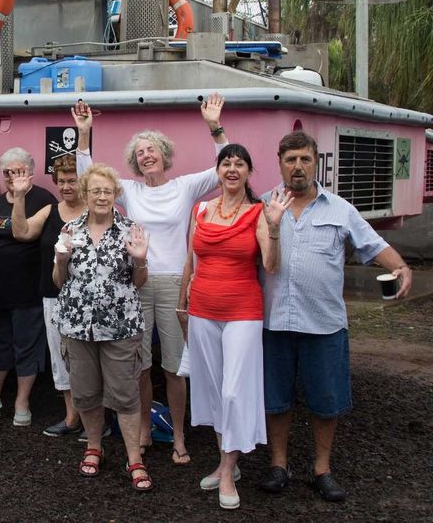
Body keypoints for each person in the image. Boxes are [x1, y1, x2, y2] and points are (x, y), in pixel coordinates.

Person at [256, 131, 413, 502]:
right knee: (275, 400)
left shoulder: (340, 209)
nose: (297, 166)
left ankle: (321, 469)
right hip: (273, 322)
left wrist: (402, 267)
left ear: (316, 163)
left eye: (305, 159)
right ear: (279, 162)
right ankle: (279, 466)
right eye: (291, 159)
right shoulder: (262, 205)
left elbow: (373, 245)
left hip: (323, 323)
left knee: (326, 401)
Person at [72, 94, 228, 462]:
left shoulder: (185, 186)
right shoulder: (132, 190)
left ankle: (178, 435)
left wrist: (214, 126)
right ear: (135, 162)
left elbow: (224, 165)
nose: (146, 155)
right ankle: (142, 428)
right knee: (139, 365)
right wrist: (84, 134)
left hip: (174, 283)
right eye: (140, 152)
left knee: (174, 367)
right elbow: (89, 177)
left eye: (151, 149)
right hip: (136, 285)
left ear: (164, 154)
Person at [178, 144, 292, 510]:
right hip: (202, 309)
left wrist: (274, 229)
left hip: (243, 310)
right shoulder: (200, 210)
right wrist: (183, 302)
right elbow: (190, 262)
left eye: (239, 163)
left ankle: (228, 472)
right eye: (225, 162)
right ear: (217, 170)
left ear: (248, 172)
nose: (231, 168)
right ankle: (226, 462)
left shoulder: (258, 212)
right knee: (212, 390)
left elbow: (271, 267)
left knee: (232, 392)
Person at [53, 163, 152, 491]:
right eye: (95, 190)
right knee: (86, 393)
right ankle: (94, 447)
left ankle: (134, 458)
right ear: (85, 193)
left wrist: (140, 259)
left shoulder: (129, 229)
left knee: (125, 396)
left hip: (121, 328)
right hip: (77, 327)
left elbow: (138, 282)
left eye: (107, 191)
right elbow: (59, 282)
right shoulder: (71, 229)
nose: (101, 196)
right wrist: (61, 261)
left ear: (115, 195)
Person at [0, 148, 57, 426]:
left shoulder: (44, 200)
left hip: (26, 289)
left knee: (26, 344)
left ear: (31, 171)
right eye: (8, 172)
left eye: (19, 171)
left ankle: (22, 401)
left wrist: (20, 198)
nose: (13, 176)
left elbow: (24, 234)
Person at [9, 154, 86, 436]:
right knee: (60, 357)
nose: (66, 186)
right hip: (53, 295)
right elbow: (21, 232)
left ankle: (94, 421)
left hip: (88, 299)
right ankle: (71, 418)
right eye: (62, 181)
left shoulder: (96, 211)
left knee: (89, 359)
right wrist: (18, 198)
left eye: (72, 180)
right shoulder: (50, 210)